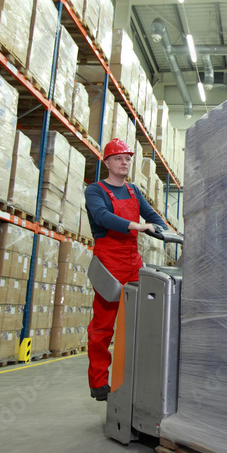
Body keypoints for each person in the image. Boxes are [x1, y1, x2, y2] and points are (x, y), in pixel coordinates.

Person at [84, 138, 169, 401]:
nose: (125, 162)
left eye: (128, 159)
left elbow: (151, 215)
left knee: (141, 323)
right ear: (107, 162)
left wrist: (163, 229)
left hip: (133, 262)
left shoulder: (133, 190)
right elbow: (101, 216)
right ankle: (99, 384)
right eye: (119, 158)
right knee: (103, 327)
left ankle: (135, 380)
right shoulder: (95, 191)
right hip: (108, 263)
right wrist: (136, 226)